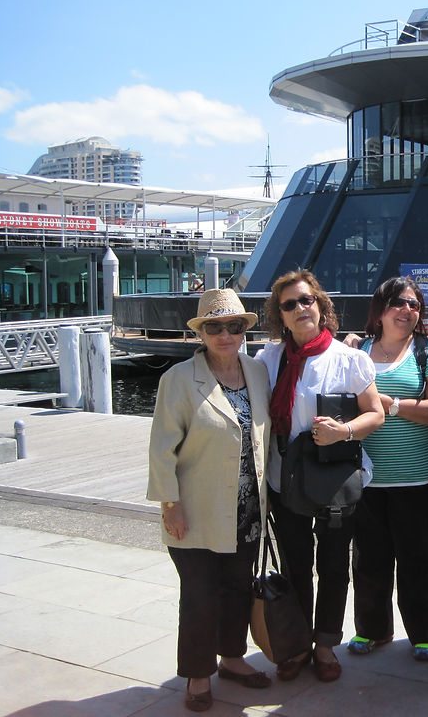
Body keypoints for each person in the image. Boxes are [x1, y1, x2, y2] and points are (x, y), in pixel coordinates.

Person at [255, 269, 385, 683]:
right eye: (289, 304)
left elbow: (375, 414)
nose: (300, 309)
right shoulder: (268, 360)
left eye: (306, 300)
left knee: (332, 565)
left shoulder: (350, 359)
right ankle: (294, 644)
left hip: (334, 479)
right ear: (281, 315)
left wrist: (343, 431)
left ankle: (325, 644)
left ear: (321, 305)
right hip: (284, 479)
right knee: (295, 565)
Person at [147, 288, 272, 712]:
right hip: (196, 509)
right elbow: (162, 448)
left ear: (243, 331)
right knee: (200, 595)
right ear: (202, 332)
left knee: (237, 589)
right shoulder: (179, 379)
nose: (225, 335)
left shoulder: (257, 373)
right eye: (214, 327)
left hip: (247, 509)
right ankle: (198, 675)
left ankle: (233, 659)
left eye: (233, 327)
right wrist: (170, 504)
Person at [351, 276, 428, 661]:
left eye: (413, 305)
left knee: (419, 560)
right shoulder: (358, 351)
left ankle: (426, 633)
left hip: (418, 480)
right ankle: (372, 629)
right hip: (367, 479)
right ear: (380, 309)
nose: (407, 311)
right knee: (369, 561)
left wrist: (391, 404)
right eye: (398, 303)